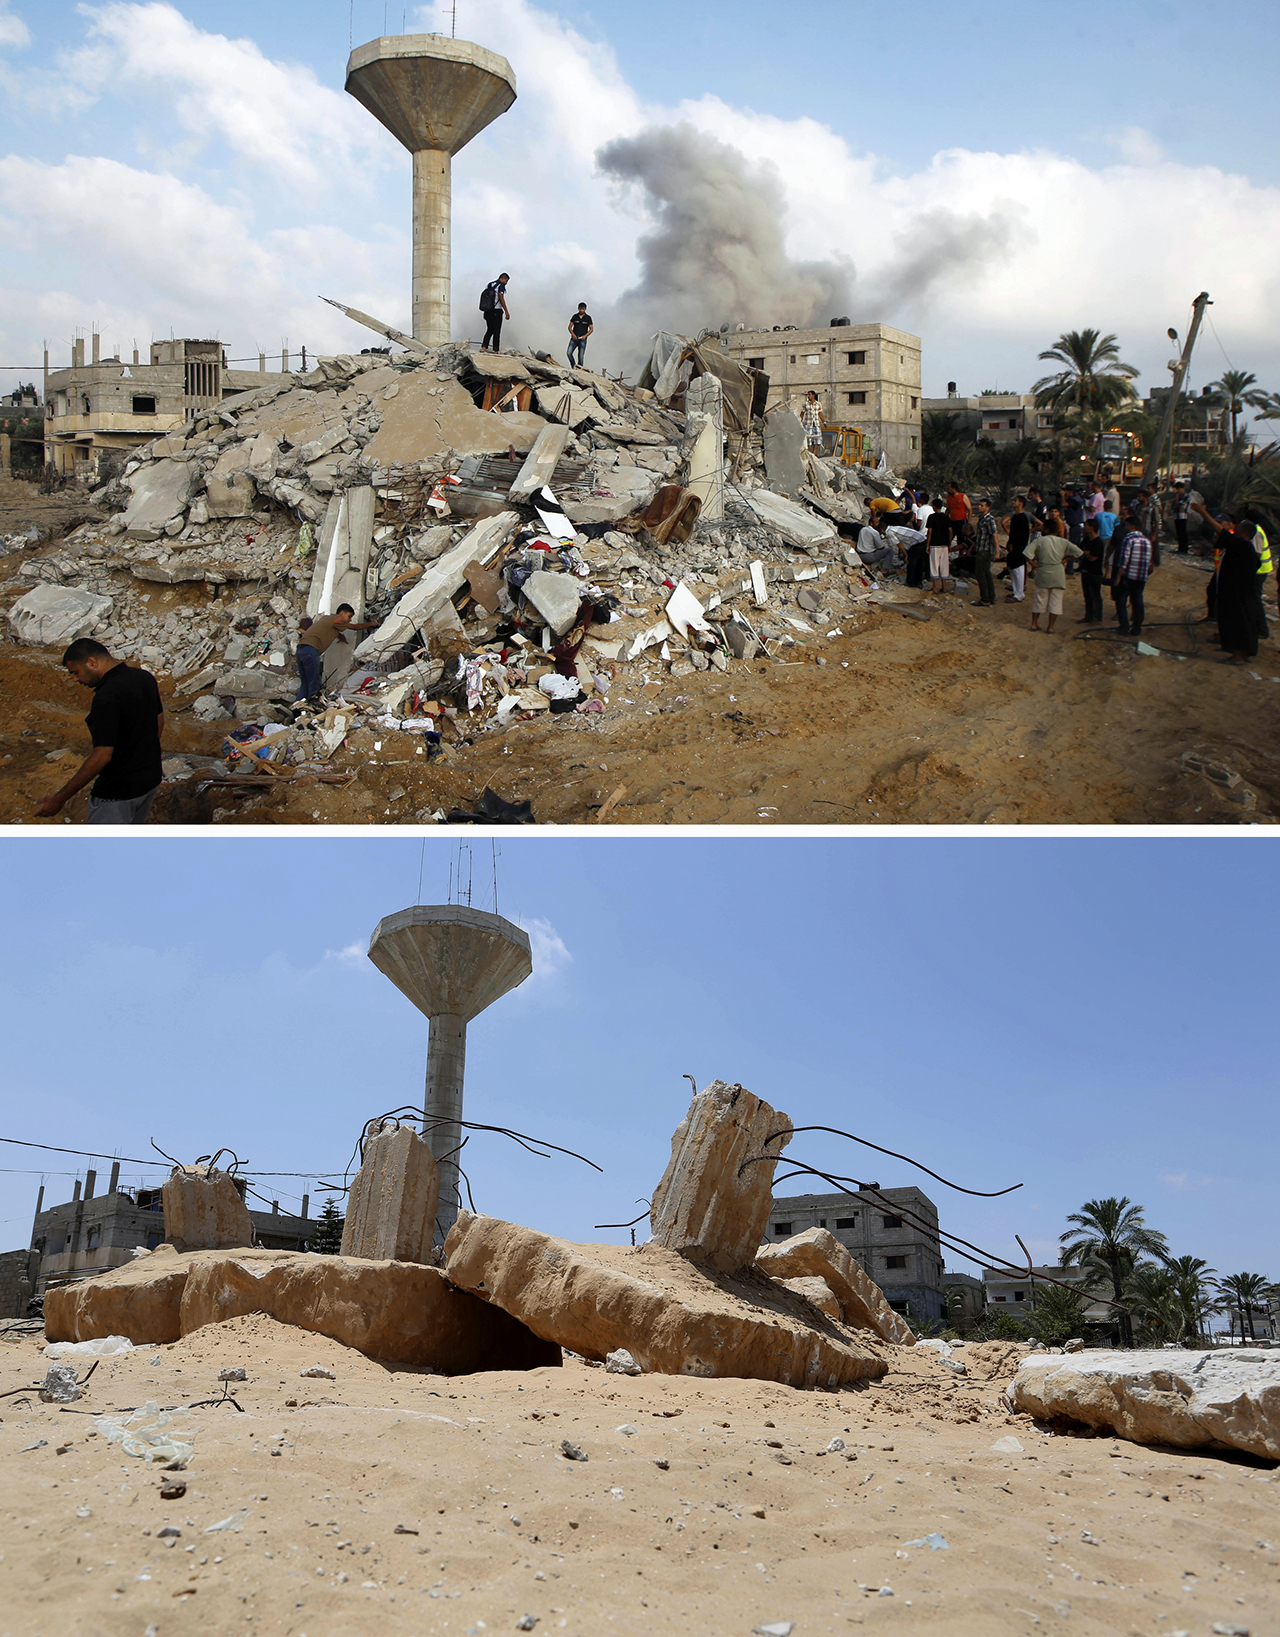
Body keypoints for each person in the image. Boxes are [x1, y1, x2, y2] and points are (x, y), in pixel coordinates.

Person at [34, 638, 163, 824]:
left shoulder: (107, 697)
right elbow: (159, 720)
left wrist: (59, 798)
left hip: (117, 793)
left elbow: (102, 755)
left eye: (75, 672)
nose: (75, 679)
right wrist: (144, 757)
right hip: (149, 782)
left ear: (92, 662)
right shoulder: (143, 678)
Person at [1191, 503, 1266, 662]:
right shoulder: (1245, 548)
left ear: (1245, 532)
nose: (1235, 527)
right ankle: (1242, 653)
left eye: (1238, 526)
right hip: (1241, 591)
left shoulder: (1242, 545)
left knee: (1236, 621)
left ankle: (1237, 655)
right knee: (1242, 621)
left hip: (1236, 593)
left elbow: (1219, 530)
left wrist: (1203, 512)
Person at [293, 603, 375, 703]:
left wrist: (340, 637)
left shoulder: (329, 619)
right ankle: (312, 707)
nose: (350, 619)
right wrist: (371, 624)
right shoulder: (337, 619)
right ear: (342, 613)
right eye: (349, 616)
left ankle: (296, 712)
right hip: (311, 650)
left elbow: (330, 629)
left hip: (301, 650)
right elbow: (355, 627)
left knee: (305, 684)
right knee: (313, 685)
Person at [1024, 518, 1083, 633]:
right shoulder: (1063, 542)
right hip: (1058, 573)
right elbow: (1079, 552)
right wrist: (1066, 559)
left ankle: (1034, 624)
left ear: (1046, 529)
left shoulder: (1039, 541)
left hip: (1043, 571)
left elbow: (1027, 553)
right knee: (1056, 601)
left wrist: (1033, 564)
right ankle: (1050, 627)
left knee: (1039, 599)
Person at [1111, 515, 1153, 639]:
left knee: (1121, 601)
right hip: (1141, 577)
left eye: (1127, 525)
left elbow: (1124, 560)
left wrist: (1118, 577)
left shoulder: (1128, 539)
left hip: (1128, 576)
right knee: (1138, 601)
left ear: (1132, 526)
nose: (1125, 527)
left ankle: (1124, 627)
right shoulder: (1146, 541)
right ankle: (1137, 627)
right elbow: (1150, 563)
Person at [1002, 494, 1031, 603]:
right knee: (1013, 570)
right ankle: (1016, 591)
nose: (1013, 502)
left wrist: (1015, 545)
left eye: (1016, 500)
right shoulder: (1016, 516)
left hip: (1019, 548)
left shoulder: (1022, 518)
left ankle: (1019, 594)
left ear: (1021, 503)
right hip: (1014, 547)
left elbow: (1022, 535)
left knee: (1018, 570)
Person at [1078, 517, 1106, 623]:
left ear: (1092, 527)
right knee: (1087, 595)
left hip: (1094, 572)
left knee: (1095, 595)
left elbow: (1093, 557)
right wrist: (1085, 553)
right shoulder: (1087, 539)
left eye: (1087, 525)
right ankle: (1088, 616)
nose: (1085, 527)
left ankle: (1097, 617)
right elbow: (1080, 549)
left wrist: (1085, 553)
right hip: (1085, 571)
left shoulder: (1098, 542)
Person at [971, 497, 998, 607]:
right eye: (979, 505)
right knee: (986, 573)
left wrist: (997, 552)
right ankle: (991, 597)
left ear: (988, 507)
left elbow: (995, 536)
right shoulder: (981, 518)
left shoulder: (989, 520)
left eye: (982, 505)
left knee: (980, 574)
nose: (979, 507)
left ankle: (985, 598)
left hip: (985, 550)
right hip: (981, 548)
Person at [925, 502, 953, 593]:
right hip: (944, 544)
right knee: (944, 565)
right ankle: (944, 587)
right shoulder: (946, 517)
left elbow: (930, 531)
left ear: (934, 507)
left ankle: (935, 587)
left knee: (934, 565)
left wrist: (927, 544)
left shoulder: (932, 517)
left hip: (934, 544)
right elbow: (950, 531)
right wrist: (949, 543)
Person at [479, 274, 511, 353]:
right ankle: (495, 350)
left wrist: (485, 311)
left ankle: (484, 347)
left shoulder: (489, 284)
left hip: (488, 311)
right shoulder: (501, 285)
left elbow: (485, 297)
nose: (506, 283)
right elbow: (501, 297)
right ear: (503, 279)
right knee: (497, 331)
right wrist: (506, 311)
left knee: (489, 330)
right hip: (497, 310)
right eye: (506, 281)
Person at [566, 303, 593, 367]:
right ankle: (573, 366)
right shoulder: (575, 316)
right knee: (569, 353)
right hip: (574, 338)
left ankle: (579, 369)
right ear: (578, 308)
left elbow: (591, 329)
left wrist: (585, 336)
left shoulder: (588, 318)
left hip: (582, 339)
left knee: (580, 356)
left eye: (583, 309)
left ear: (585, 309)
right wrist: (573, 334)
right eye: (580, 308)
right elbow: (570, 327)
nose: (581, 310)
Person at [944, 481, 971, 545]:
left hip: (962, 521)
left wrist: (969, 523)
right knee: (948, 537)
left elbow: (970, 509)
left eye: (949, 488)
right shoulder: (949, 497)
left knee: (961, 540)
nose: (947, 490)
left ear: (954, 488)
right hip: (952, 521)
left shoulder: (963, 496)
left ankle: (961, 554)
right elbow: (948, 509)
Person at [1172, 481, 1192, 553]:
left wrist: (1177, 500)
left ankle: (1184, 548)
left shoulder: (1185, 495)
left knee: (1183, 532)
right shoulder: (1178, 496)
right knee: (1179, 532)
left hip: (1182, 516)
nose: (1177, 490)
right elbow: (1173, 506)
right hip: (1177, 516)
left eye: (1178, 489)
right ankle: (1180, 547)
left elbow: (1180, 504)